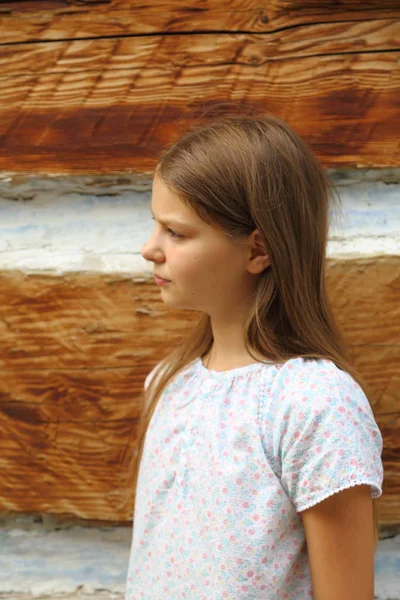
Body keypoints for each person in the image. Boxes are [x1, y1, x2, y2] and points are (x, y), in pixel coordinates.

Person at [125, 113, 383, 599]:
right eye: (154, 226)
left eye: (175, 233)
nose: (149, 249)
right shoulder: (169, 381)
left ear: (258, 250)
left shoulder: (313, 405)